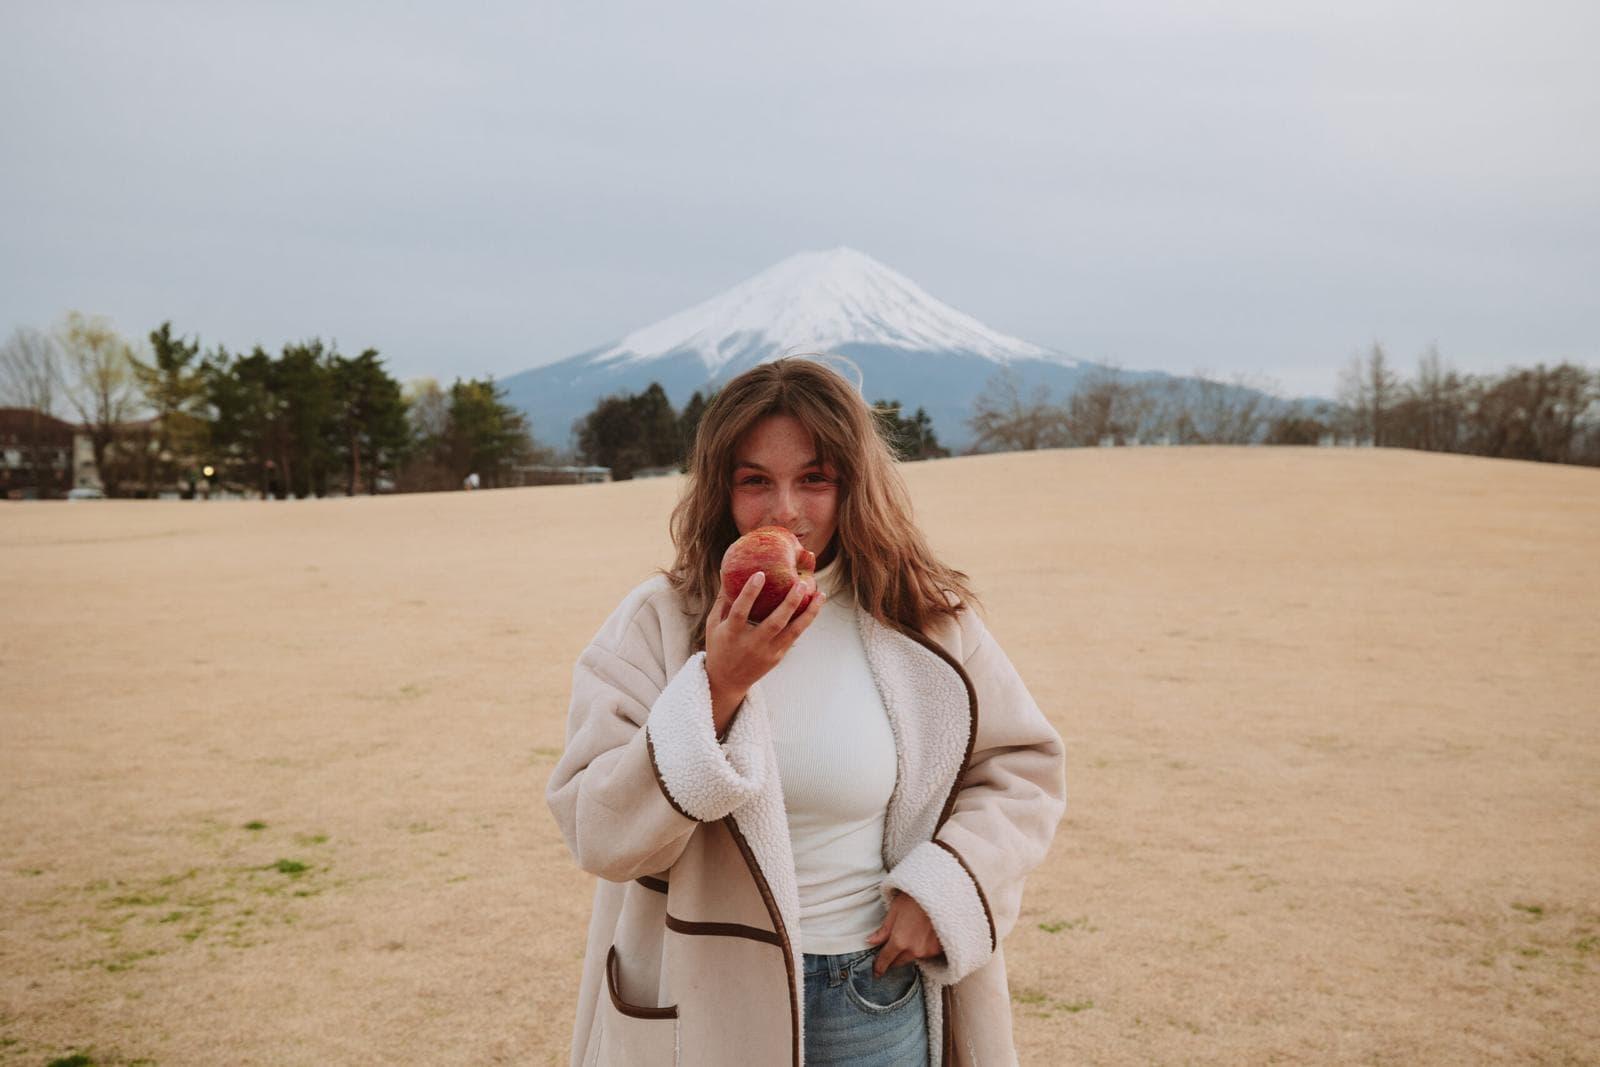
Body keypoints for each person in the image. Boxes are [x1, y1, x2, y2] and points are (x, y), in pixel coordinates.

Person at [547, 357, 1065, 1066]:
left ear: (854, 485)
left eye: (813, 478)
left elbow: (1022, 770)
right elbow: (596, 829)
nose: (783, 509)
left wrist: (944, 888)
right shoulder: (659, 623)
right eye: (755, 479)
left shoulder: (926, 620)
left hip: (872, 994)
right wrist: (718, 687)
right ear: (720, 490)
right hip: (701, 1006)